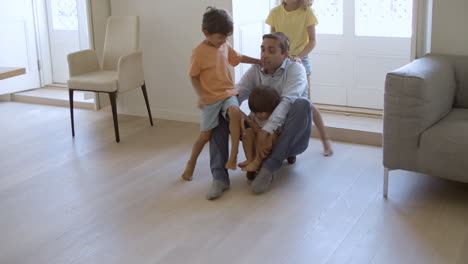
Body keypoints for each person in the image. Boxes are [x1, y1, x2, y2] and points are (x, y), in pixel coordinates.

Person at [206, 32, 312, 200]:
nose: (264, 54)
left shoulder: (295, 69)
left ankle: (268, 168)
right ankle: (220, 177)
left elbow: (287, 102)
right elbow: (235, 93)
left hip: (288, 136)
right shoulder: (255, 70)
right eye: (262, 49)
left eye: (271, 50)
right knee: (220, 108)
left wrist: (267, 131)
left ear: (285, 55)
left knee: (302, 104)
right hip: (256, 130)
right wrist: (235, 110)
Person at [181, 7, 261, 181]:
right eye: (220, 37)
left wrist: (259, 61)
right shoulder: (198, 52)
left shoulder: (224, 45)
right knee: (205, 136)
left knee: (234, 112)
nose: (223, 41)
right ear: (206, 33)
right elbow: (193, 76)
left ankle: (233, 155)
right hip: (210, 98)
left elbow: (238, 58)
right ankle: (191, 164)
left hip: (227, 93)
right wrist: (200, 95)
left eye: (226, 37)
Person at [266, 0, 333, 156]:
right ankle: (279, 141)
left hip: (300, 60)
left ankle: (326, 141)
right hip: (280, 60)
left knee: (306, 102)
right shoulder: (275, 13)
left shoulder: (307, 13)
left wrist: (299, 57)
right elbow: (271, 40)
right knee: (279, 100)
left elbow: (312, 41)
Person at [238, 85, 282, 174]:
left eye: (261, 112)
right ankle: (250, 160)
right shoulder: (255, 114)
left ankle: (257, 161)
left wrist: (258, 129)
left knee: (271, 136)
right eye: (255, 112)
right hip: (257, 140)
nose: (258, 115)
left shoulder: (275, 117)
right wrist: (248, 120)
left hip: (269, 143)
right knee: (248, 132)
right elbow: (253, 128)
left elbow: (276, 133)